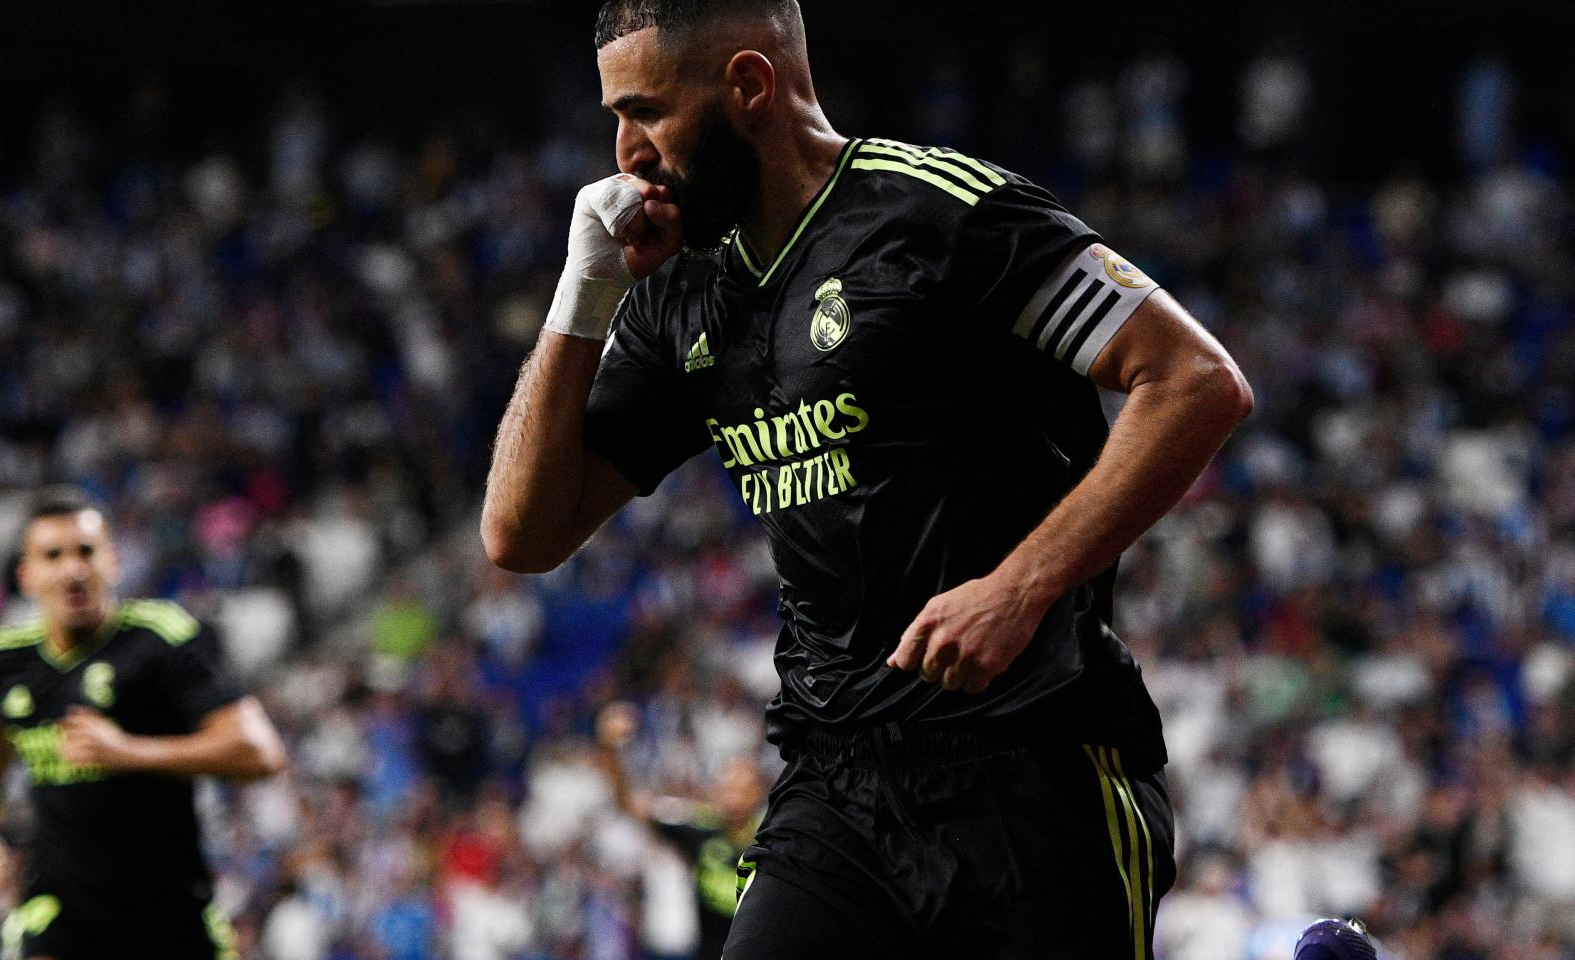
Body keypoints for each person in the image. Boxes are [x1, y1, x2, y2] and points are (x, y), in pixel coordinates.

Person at [480, 2, 1254, 956]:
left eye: (645, 112)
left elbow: (1193, 379)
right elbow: (522, 533)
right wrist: (584, 292)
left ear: (750, 87)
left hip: (1033, 761)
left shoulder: (937, 214)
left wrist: (1020, 587)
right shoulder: (684, 289)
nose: (625, 150)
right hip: (834, 790)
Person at [0, 487, 287, 960]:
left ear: (113, 561)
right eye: (53, 555)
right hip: (59, 909)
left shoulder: (159, 639)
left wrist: (129, 751)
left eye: (86, 552)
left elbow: (261, 752)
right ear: (26, 576)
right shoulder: (2, 658)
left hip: (169, 916)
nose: (73, 569)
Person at [594, 701, 764, 960]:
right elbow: (629, 804)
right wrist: (609, 750)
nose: (732, 798)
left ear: (758, 793)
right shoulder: (700, 826)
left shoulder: (775, 835)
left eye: (741, 789)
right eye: (725, 788)